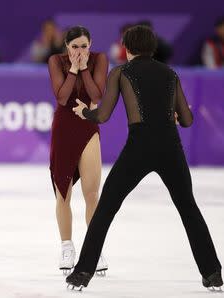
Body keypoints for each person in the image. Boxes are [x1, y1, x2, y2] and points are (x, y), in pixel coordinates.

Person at [66, 25, 222, 291]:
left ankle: (82, 273)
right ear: (153, 47)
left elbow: (102, 115)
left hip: (138, 148)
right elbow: (186, 120)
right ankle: (213, 274)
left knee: (105, 210)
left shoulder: (122, 72)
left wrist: (85, 114)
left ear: (127, 49)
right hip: (170, 148)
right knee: (188, 209)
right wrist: (173, 114)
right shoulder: (170, 73)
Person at [47, 26, 109, 276]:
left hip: (87, 127)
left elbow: (98, 94)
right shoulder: (56, 61)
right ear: (66, 47)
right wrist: (73, 69)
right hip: (63, 128)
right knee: (63, 192)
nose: (80, 51)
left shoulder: (99, 60)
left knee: (92, 193)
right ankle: (66, 246)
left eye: (84, 46)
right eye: (75, 47)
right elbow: (61, 97)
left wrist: (83, 68)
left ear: (90, 44)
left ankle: (93, 249)